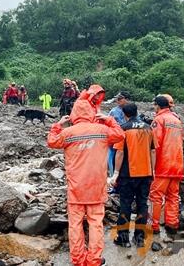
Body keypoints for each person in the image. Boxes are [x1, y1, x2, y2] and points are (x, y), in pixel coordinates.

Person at [47, 99, 125, 266]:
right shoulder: (102, 130)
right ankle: (94, 260)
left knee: (75, 225)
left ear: (74, 113)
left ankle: (78, 259)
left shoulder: (68, 133)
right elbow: (120, 135)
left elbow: (52, 141)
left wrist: (58, 124)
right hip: (96, 187)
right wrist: (108, 119)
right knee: (96, 223)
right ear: (91, 112)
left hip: (76, 188)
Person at [108, 103, 154, 248]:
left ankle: (123, 239)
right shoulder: (148, 128)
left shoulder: (123, 129)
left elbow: (120, 152)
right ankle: (139, 238)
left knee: (125, 205)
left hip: (128, 174)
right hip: (145, 173)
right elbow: (153, 151)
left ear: (124, 114)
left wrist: (115, 173)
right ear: (136, 112)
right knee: (142, 204)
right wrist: (152, 170)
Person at [149, 95, 184, 241]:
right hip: (177, 165)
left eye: (154, 105)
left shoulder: (158, 120)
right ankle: (172, 224)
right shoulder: (177, 120)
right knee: (173, 197)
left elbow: (155, 145)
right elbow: (182, 143)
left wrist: (152, 167)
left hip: (163, 165)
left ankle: (154, 226)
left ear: (157, 105)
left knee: (156, 197)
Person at [107, 91, 130, 180]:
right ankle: (114, 181)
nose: (118, 100)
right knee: (112, 158)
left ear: (127, 99)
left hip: (128, 138)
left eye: (120, 98)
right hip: (116, 139)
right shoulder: (113, 111)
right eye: (117, 98)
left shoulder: (131, 110)